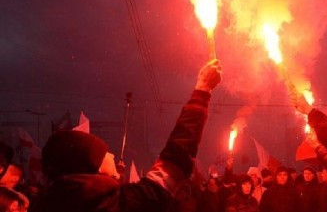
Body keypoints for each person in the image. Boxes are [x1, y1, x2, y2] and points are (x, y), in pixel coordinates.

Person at [30, 59, 223, 212]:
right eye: (103, 153)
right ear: (89, 166)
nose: (112, 155)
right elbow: (175, 161)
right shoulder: (113, 206)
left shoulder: (50, 203)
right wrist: (202, 90)